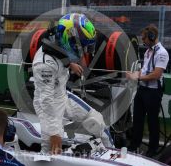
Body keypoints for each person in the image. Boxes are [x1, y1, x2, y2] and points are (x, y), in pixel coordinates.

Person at [32, 13, 113, 154]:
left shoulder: (57, 41)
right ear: (70, 41)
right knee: (51, 149)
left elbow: (60, 53)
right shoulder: (44, 64)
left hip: (62, 95)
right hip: (48, 103)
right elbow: (45, 101)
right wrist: (54, 133)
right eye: (82, 46)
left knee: (97, 120)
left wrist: (70, 64)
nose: (84, 51)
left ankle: (111, 153)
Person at [126, 25, 169, 157]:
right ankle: (134, 145)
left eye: (144, 38)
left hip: (153, 91)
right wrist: (136, 74)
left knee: (152, 121)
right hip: (142, 89)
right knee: (137, 119)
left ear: (152, 37)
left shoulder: (162, 52)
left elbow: (156, 75)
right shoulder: (148, 51)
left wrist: (137, 77)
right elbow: (144, 70)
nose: (142, 41)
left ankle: (153, 149)